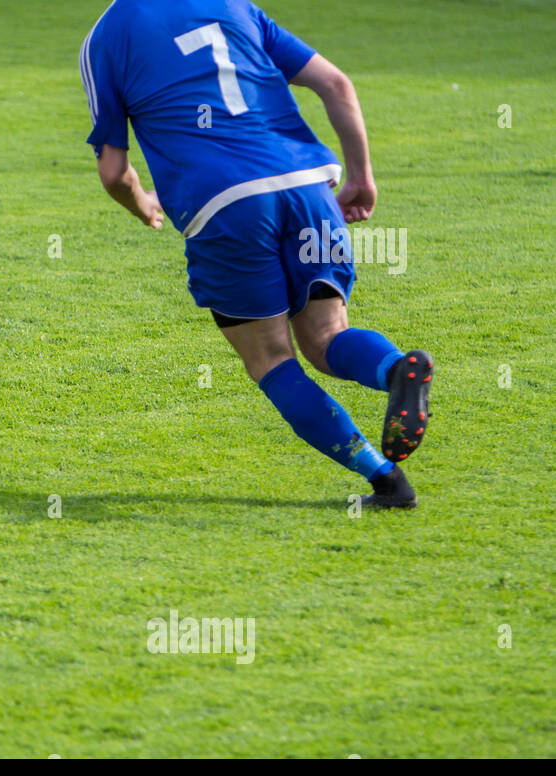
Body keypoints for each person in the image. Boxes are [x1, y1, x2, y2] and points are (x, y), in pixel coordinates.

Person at [80, 0, 433, 509]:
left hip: (225, 207)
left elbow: (114, 171)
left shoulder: (107, 35)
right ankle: (397, 368)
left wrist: (143, 206)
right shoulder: (232, 5)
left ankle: (386, 481)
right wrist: (359, 175)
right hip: (307, 186)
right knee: (327, 337)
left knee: (271, 359)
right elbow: (335, 84)